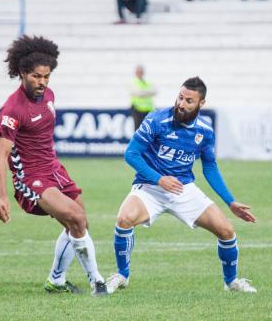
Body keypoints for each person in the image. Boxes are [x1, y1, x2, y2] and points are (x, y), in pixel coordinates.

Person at [106, 77, 257, 294]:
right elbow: (131, 154)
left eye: (188, 100)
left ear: (201, 103)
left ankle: (231, 281)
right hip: (150, 187)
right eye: (180, 97)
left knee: (226, 230)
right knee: (124, 219)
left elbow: (210, 168)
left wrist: (230, 201)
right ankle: (122, 275)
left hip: (183, 189)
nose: (181, 104)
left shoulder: (204, 131)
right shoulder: (157, 120)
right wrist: (159, 178)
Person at [0, 35, 108, 296]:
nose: (42, 82)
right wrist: (2, 197)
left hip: (54, 169)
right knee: (76, 218)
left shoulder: (49, 96)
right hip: (31, 178)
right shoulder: (12, 109)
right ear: (22, 73)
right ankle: (98, 282)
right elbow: (0, 157)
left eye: (46, 76)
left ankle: (56, 280)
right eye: (36, 76)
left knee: (80, 224)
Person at [129, 65, 157, 130]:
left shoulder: (147, 82)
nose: (140, 73)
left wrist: (143, 92)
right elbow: (137, 93)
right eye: (138, 72)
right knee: (138, 129)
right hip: (137, 109)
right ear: (135, 73)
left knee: (148, 129)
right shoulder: (133, 82)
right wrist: (147, 92)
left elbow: (155, 90)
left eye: (141, 72)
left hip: (148, 109)